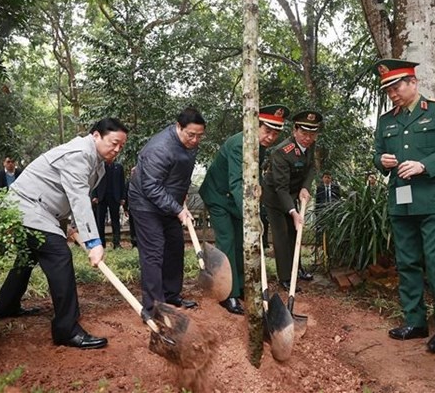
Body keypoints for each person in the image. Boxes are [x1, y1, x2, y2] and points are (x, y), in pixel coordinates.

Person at [0, 118, 129, 350]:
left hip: (38, 209)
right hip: (26, 207)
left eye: (121, 146)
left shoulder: (97, 162)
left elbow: (70, 194)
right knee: (59, 255)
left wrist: (72, 227)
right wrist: (94, 242)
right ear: (96, 136)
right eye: (113, 143)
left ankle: (5, 306)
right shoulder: (78, 154)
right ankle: (67, 330)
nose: (116, 149)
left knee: (28, 256)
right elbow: (78, 198)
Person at [371, 58, 435, 354]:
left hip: (433, 200)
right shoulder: (387, 120)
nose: (392, 94)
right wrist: (382, 162)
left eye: (396, 86)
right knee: (407, 261)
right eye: (387, 90)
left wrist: (424, 165)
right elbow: (377, 154)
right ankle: (415, 322)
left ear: (413, 82)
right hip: (401, 201)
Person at [199, 105, 289, 315]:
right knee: (228, 240)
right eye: (267, 131)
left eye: (276, 133)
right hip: (219, 196)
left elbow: (252, 177)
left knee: (241, 240)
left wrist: (256, 199)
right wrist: (252, 217)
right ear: (255, 126)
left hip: (235, 199)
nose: (271, 137)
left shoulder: (260, 145)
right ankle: (228, 294)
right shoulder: (240, 144)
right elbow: (237, 183)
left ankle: (239, 288)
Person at [128, 106, 205, 313]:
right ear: (178, 127)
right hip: (145, 203)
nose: (195, 140)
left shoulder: (191, 143)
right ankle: (154, 308)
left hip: (170, 201)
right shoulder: (160, 148)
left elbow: (179, 175)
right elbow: (151, 187)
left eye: (200, 136)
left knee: (175, 247)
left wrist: (182, 196)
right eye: (191, 135)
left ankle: (171, 296)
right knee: (154, 252)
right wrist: (178, 209)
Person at [261, 110, 323, 291]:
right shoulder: (281, 152)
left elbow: (311, 168)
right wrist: (293, 212)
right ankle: (286, 278)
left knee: (294, 234)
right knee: (281, 235)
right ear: (294, 131)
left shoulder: (310, 146)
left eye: (312, 134)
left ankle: (298, 268)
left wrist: (305, 187)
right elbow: (281, 188)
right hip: (275, 197)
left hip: (293, 195)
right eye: (304, 133)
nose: (307, 138)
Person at [92, 161, 125, 249]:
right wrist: (94, 195)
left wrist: (122, 197)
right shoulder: (99, 166)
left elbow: (122, 182)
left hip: (115, 197)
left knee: (115, 221)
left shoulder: (119, 167)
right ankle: (101, 243)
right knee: (100, 221)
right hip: (101, 197)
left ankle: (116, 243)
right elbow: (94, 181)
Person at [314, 171, 340, 246]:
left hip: (333, 212)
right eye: (325, 177)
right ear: (322, 179)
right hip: (322, 212)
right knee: (322, 230)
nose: (327, 179)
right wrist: (317, 213)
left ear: (331, 178)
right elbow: (317, 201)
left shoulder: (336, 188)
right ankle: (322, 244)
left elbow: (338, 200)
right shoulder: (320, 188)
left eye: (328, 177)